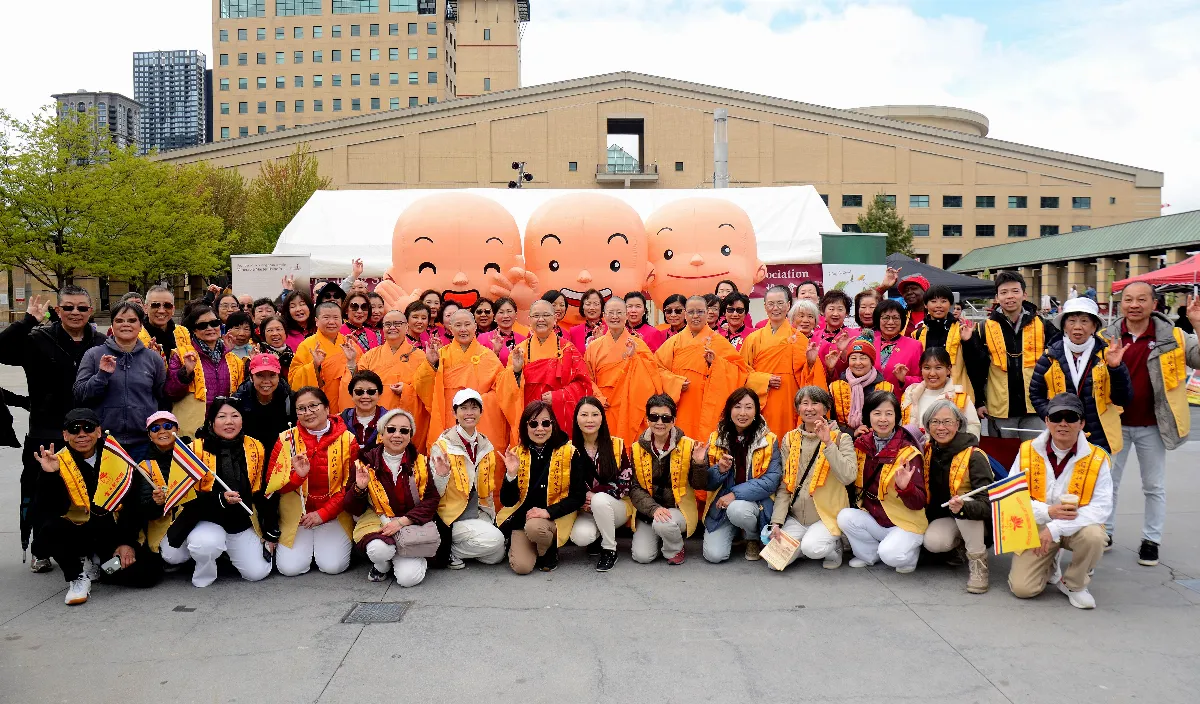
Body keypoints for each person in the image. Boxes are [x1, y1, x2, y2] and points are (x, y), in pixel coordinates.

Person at [0, 288, 105, 571]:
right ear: (57, 311)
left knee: (87, 490)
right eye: (68, 307)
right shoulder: (37, 338)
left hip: (87, 430)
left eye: (82, 308)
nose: (75, 313)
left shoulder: (100, 342)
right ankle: (41, 548)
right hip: (45, 429)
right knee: (40, 492)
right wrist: (26, 322)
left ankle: (86, 545)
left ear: (90, 311)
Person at [1101, 284, 1200, 565]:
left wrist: (1197, 323)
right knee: (1108, 482)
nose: (1134, 305)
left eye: (1141, 299)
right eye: (1128, 300)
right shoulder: (1106, 336)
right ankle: (1105, 532)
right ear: (1120, 305)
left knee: (1153, 486)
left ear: (1154, 304)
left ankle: (1151, 540)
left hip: (1153, 425)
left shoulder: (1174, 337)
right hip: (1114, 423)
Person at [33, 409, 163, 605]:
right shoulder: (57, 461)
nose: (82, 434)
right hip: (78, 531)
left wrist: (126, 543)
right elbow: (49, 509)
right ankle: (77, 576)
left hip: (111, 533)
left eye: (88, 428)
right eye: (74, 429)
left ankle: (100, 566)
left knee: (145, 573)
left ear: (99, 431)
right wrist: (50, 475)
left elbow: (133, 505)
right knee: (48, 533)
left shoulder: (117, 458)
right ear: (65, 435)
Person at [1008, 394, 1112, 609]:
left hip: (1077, 526)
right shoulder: (1027, 450)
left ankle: (1074, 584)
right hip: (1038, 524)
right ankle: (1050, 562)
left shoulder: (1097, 457)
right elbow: (1012, 498)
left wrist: (1055, 528)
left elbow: (1101, 508)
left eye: (1071, 417)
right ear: (1046, 421)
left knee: (1095, 536)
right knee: (1023, 589)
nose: (1063, 423)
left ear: (1082, 423)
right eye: (1056, 417)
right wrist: (1048, 512)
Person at [160, 399, 275, 587]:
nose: (229, 422)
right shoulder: (195, 450)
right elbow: (186, 497)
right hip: (205, 519)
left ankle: (226, 554)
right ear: (211, 422)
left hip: (239, 521)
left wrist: (269, 529)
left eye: (235, 416)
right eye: (222, 417)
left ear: (242, 420)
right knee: (202, 545)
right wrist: (219, 499)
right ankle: (205, 570)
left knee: (258, 572)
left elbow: (261, 492)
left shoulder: (255, 447)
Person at [267, 387, 358, 577]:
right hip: (296, 515)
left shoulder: (348, 440)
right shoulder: (286, 439)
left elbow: (350, 487)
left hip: (333, 513)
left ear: (326, 408)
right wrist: (297, 477)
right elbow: (272, 485)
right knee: (289, 568)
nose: (307, 413)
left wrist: (323, 514)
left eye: (313, 406)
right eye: (301, 409)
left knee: (333, 566)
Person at [347, 408, 440, 586]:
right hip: (378, 522)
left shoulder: (421, 462)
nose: (397, 435)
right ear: (381, 434)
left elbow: (431, 500)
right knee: (379, 550)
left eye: (404, 430)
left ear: (410, 435)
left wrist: (402, 522)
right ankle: (382, 565)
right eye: (391, 429)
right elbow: (351, 507)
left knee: (408, 579)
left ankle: (407, 555)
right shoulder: (363, 463)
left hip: (409, 523)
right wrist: (359, 488)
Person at [837, 390, 927, 573]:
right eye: (877, 413)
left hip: (904, 523)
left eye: (889, 413)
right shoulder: (861, 445)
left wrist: (906, 488)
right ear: (868, 417)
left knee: (891, 556)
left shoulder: (908, 452)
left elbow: (919, 503)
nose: (883, 419)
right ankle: (869, 555)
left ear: (897, 417)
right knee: (845, 517)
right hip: (876, 517)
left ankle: (910, 555)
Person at [768, 386, 856, 570]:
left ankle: (833, 546)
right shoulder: (790, 439)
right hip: (797, 517)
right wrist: (776, 522)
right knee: (773, 563)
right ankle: (802, 543)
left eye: (815, 403)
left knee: (813, 548)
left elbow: (848, 476)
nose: (809, 408)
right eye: (804, 403)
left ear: (825, 409)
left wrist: (828, 443)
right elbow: (785, 485)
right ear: (798, 409)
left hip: (825, 516)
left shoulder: (841, 438)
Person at [1030, 297, 1131, 454]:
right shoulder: (1050, 357)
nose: (1077, 327)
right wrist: (1056, 419)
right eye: (1072, 321)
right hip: (1062, 434)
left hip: (1101, 436)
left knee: (1100, 478)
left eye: (1084, 321)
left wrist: (1115, 368)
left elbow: (1123, 398)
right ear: (1064, 326)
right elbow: (1036, 395)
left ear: (1094, 327)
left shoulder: (1108, 355)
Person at [968, 270, 1059, 439]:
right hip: (1000, 408)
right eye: (1004, 292)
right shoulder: (983, 328)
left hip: (1036, 406)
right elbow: (976, 369)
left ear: (1024, 295)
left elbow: (1058, 363)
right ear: (996, 298)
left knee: (1035, 458)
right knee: (1005, 459)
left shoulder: (1043, 325)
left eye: (1015, 291)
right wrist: (979, 402)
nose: (1010, 296)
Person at [497, 401, 585, 574]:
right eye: (533, 423)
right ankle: (536, 546)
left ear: (553, 424)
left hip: (554, 517)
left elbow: (578, 496)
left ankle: (548, 549)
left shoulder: (569, 452)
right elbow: (508, 501)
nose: (540, 429)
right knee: (522, 567)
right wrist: (511, 475)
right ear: (525, 426)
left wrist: (548, 512)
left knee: (535, 527)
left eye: (545, 423)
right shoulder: (517, 453)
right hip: (523, 518)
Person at [584, 297, 683, 446]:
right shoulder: (594, 347)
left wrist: (634, 357)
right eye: (611, 312)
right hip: (603, 406)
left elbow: (653, 373)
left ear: (626, 316)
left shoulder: (638, 345)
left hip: (630, 405)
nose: (615, 316)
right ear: (604, 315)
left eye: (619, 312)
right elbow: (586, 377)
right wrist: (598, 397)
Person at [655, 295, 753, 444]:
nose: (695, 316)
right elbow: (656, 369)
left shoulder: (719, 342)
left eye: (700, 312)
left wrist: (716, 363)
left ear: (708, 313)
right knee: (682, 447)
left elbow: (740, 371)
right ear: (685, 314)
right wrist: (675, 382)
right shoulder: (673, 343)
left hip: (709, 405)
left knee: (707, 445)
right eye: (691, 312)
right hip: (682, 405)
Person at [699, 388, 782, 563]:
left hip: (755, 504)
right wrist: (719, 470)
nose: (742, 413)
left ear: (756, 411)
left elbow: (771, 481)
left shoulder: (769, 440)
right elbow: (707, 483)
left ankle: (752, 537)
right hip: (722, 504)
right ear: (729, 410)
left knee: (738, 509)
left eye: (748, 407)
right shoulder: (716, 438)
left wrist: (735, 494)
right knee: (714, 555)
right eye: (737, 407)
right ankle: (736, 531)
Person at [921, 400, 994, 593]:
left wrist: (964, 507)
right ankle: (958, 546)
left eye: (947, 421)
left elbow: (989, 504)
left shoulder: (974, 455)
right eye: (935, 422)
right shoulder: (927, 452)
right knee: (934, 542)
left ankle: (979, 565)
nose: (941, 427)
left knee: (967, 500)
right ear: (928, 426)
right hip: (947, 517)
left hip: (978, 520)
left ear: (958, 424)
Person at [427, 389, 506, 569]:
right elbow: (432, 493)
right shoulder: (442, 445)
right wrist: (442, 475)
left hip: (478, 514)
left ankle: (455, 550)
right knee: (496, 540)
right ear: (455, 413)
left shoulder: (486, 445)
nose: (469, 413)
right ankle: (448, 550)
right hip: (451, 517)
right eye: (463, 408)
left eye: (474, 408)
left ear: (480, 412)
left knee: (496, 555)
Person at [74, 301, 166, 455]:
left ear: (140, 325)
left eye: (132, 320)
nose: (125, 325)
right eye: (119, 320)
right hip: (104, 441)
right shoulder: (94, 355)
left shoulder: (152, 358)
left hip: (144, 442)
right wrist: (101, 376)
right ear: (112, 325)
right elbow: (79, 394)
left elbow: (162, 396)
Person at [628, 395, 710, 565]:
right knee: (642, 556)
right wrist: (653, 509)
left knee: (663, 524)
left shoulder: (689, 446)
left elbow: (700, 485)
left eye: (665, 418)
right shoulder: (636, 448)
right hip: (648, 511)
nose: (659, 422)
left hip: (677, 510)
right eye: (654, 417)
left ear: (674, 420)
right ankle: (661, 536)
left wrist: (699, 463)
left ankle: (674, 547)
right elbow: (634, 487)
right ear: (647, 419)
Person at [414, 308, 510, 452]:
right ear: (450, 328)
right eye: (458, 325)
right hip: (449, 416)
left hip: (479, 417)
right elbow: (422, 385)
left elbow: (502, 389)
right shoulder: (441, 355)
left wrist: (477, 401)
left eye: (467, 324)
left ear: (475, 327)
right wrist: (432, 364)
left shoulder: (488, 356)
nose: (463, 329)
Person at [498, 299, 593, 442]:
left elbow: (584, 386)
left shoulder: (568, 349)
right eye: (536, 316)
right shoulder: (519, 351)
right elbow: (506, 392)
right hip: (530, 420)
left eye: (546, 315)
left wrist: (558, 396)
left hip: (558, 419)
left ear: (555, 319)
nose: (541, 319)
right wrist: (516, 371)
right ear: (529, 320)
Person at [741, 286, 825, 439]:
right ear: (765, 306)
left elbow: (809, 377)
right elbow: (741, 372)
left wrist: (811, 362)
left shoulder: (799, 339)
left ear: (788, 305)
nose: (776, 308)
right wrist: (763, 379)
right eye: (771, 304)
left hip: (789, 398)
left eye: (780, 303)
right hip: (761, 401)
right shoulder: (753, 339)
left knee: (788, 440)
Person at [567, 397, 634, 571]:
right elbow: (563, 483)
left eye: (595, 414)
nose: (590, 420)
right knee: (581, 537)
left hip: (616, 506)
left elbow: (625, 482)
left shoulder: (616, 445)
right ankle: (598, 536)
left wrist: (595, 495)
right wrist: (582, 497)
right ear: (576, 418)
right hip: (585, 508)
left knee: (599, 501)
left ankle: (610, 549)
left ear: (602, 418)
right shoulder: (569, 449)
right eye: (584, 415)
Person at [350, 308, 429, 453]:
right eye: (387, 324)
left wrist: (406, 390)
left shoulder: (421, 357)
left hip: (407, 420)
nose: (392, 327)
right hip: (376, 421)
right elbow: (358, 386)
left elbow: (428, 391)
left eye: (397, 323)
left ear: (406, 327)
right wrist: (350, 363)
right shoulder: (370, 356)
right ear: (382, 329)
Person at [166, 306, 246, 436]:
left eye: (214, 323)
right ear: (194, 330)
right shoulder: (182, 354)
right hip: (191, 431)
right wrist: (185, 373)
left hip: (225, 430)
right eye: (203, 325)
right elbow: (171, 393)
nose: (210, 328)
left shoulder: (234, 359)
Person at [290, 301, 357, 413]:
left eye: (336, 317)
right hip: (319, 407)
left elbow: (363, 376)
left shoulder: (349, 344)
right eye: (326, 317)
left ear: (342, 320)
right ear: (316, 321)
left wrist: (351, 365)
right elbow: (293, 380)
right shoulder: (307, 345)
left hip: (349, 405)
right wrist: (314, 366)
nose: (331, 322)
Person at [913, 284, 978, 397]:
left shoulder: (962, 331)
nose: (939, 306)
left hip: (957, 394)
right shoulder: (917, 334)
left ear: (950, 304)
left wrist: (968, 342)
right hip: (926, 394)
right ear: (925, 305)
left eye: (943, 301)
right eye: (933, 301)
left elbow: (977, 367)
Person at [900, 347, 981, 438]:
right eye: (927, 368)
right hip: (913, 450)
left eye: (938, 368)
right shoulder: (910, 394)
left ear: (948, 369)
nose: (932, 373)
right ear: (921, 369)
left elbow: (973, 431)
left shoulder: (959, 399)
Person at [231, 353, 295, 459]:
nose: (266, 381)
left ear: (279, 376)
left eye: (272, 375)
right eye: (260, 375)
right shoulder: (238, 400)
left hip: (280, 459)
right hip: (248, 459)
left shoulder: (290, 399)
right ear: (251, 377)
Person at [828, 340, 893, 435]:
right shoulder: (835, 387)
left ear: (871, 361)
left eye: (863, 358)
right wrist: (852, 433)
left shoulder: (885, 388)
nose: (858, 363)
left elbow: (893, 420)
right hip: (843, 443)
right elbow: (829, 421)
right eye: (853, 358)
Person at [866, 299, 923, 389]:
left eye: (896, 318)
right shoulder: (868, 343)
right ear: (878, 319)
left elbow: (921, 379)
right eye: (886, 318)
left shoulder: (915, 345)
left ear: (902, 321)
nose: (891, 322)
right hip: (870, 399)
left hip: (898, 399)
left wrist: (904, 379)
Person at [338, 370, 388, 453]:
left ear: (379, 394)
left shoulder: (391, 421)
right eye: (359, 392)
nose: (365, 396)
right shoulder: (340, 421)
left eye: (371, 392)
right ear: (351, 395)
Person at [142, 285, 189, 361]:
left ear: (173, 309)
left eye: (167, 306)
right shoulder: (135, 334)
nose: (161, 311)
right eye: (155, 305)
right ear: (146, 308)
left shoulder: (183, 332)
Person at [477, 297, 527, 366]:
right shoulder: (483, 338)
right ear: (494, 317)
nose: (505, 316)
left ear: (515, 315)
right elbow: (479, 366)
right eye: (501, 312)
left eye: (509, 311)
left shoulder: (523, 340)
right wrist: (495, 352)